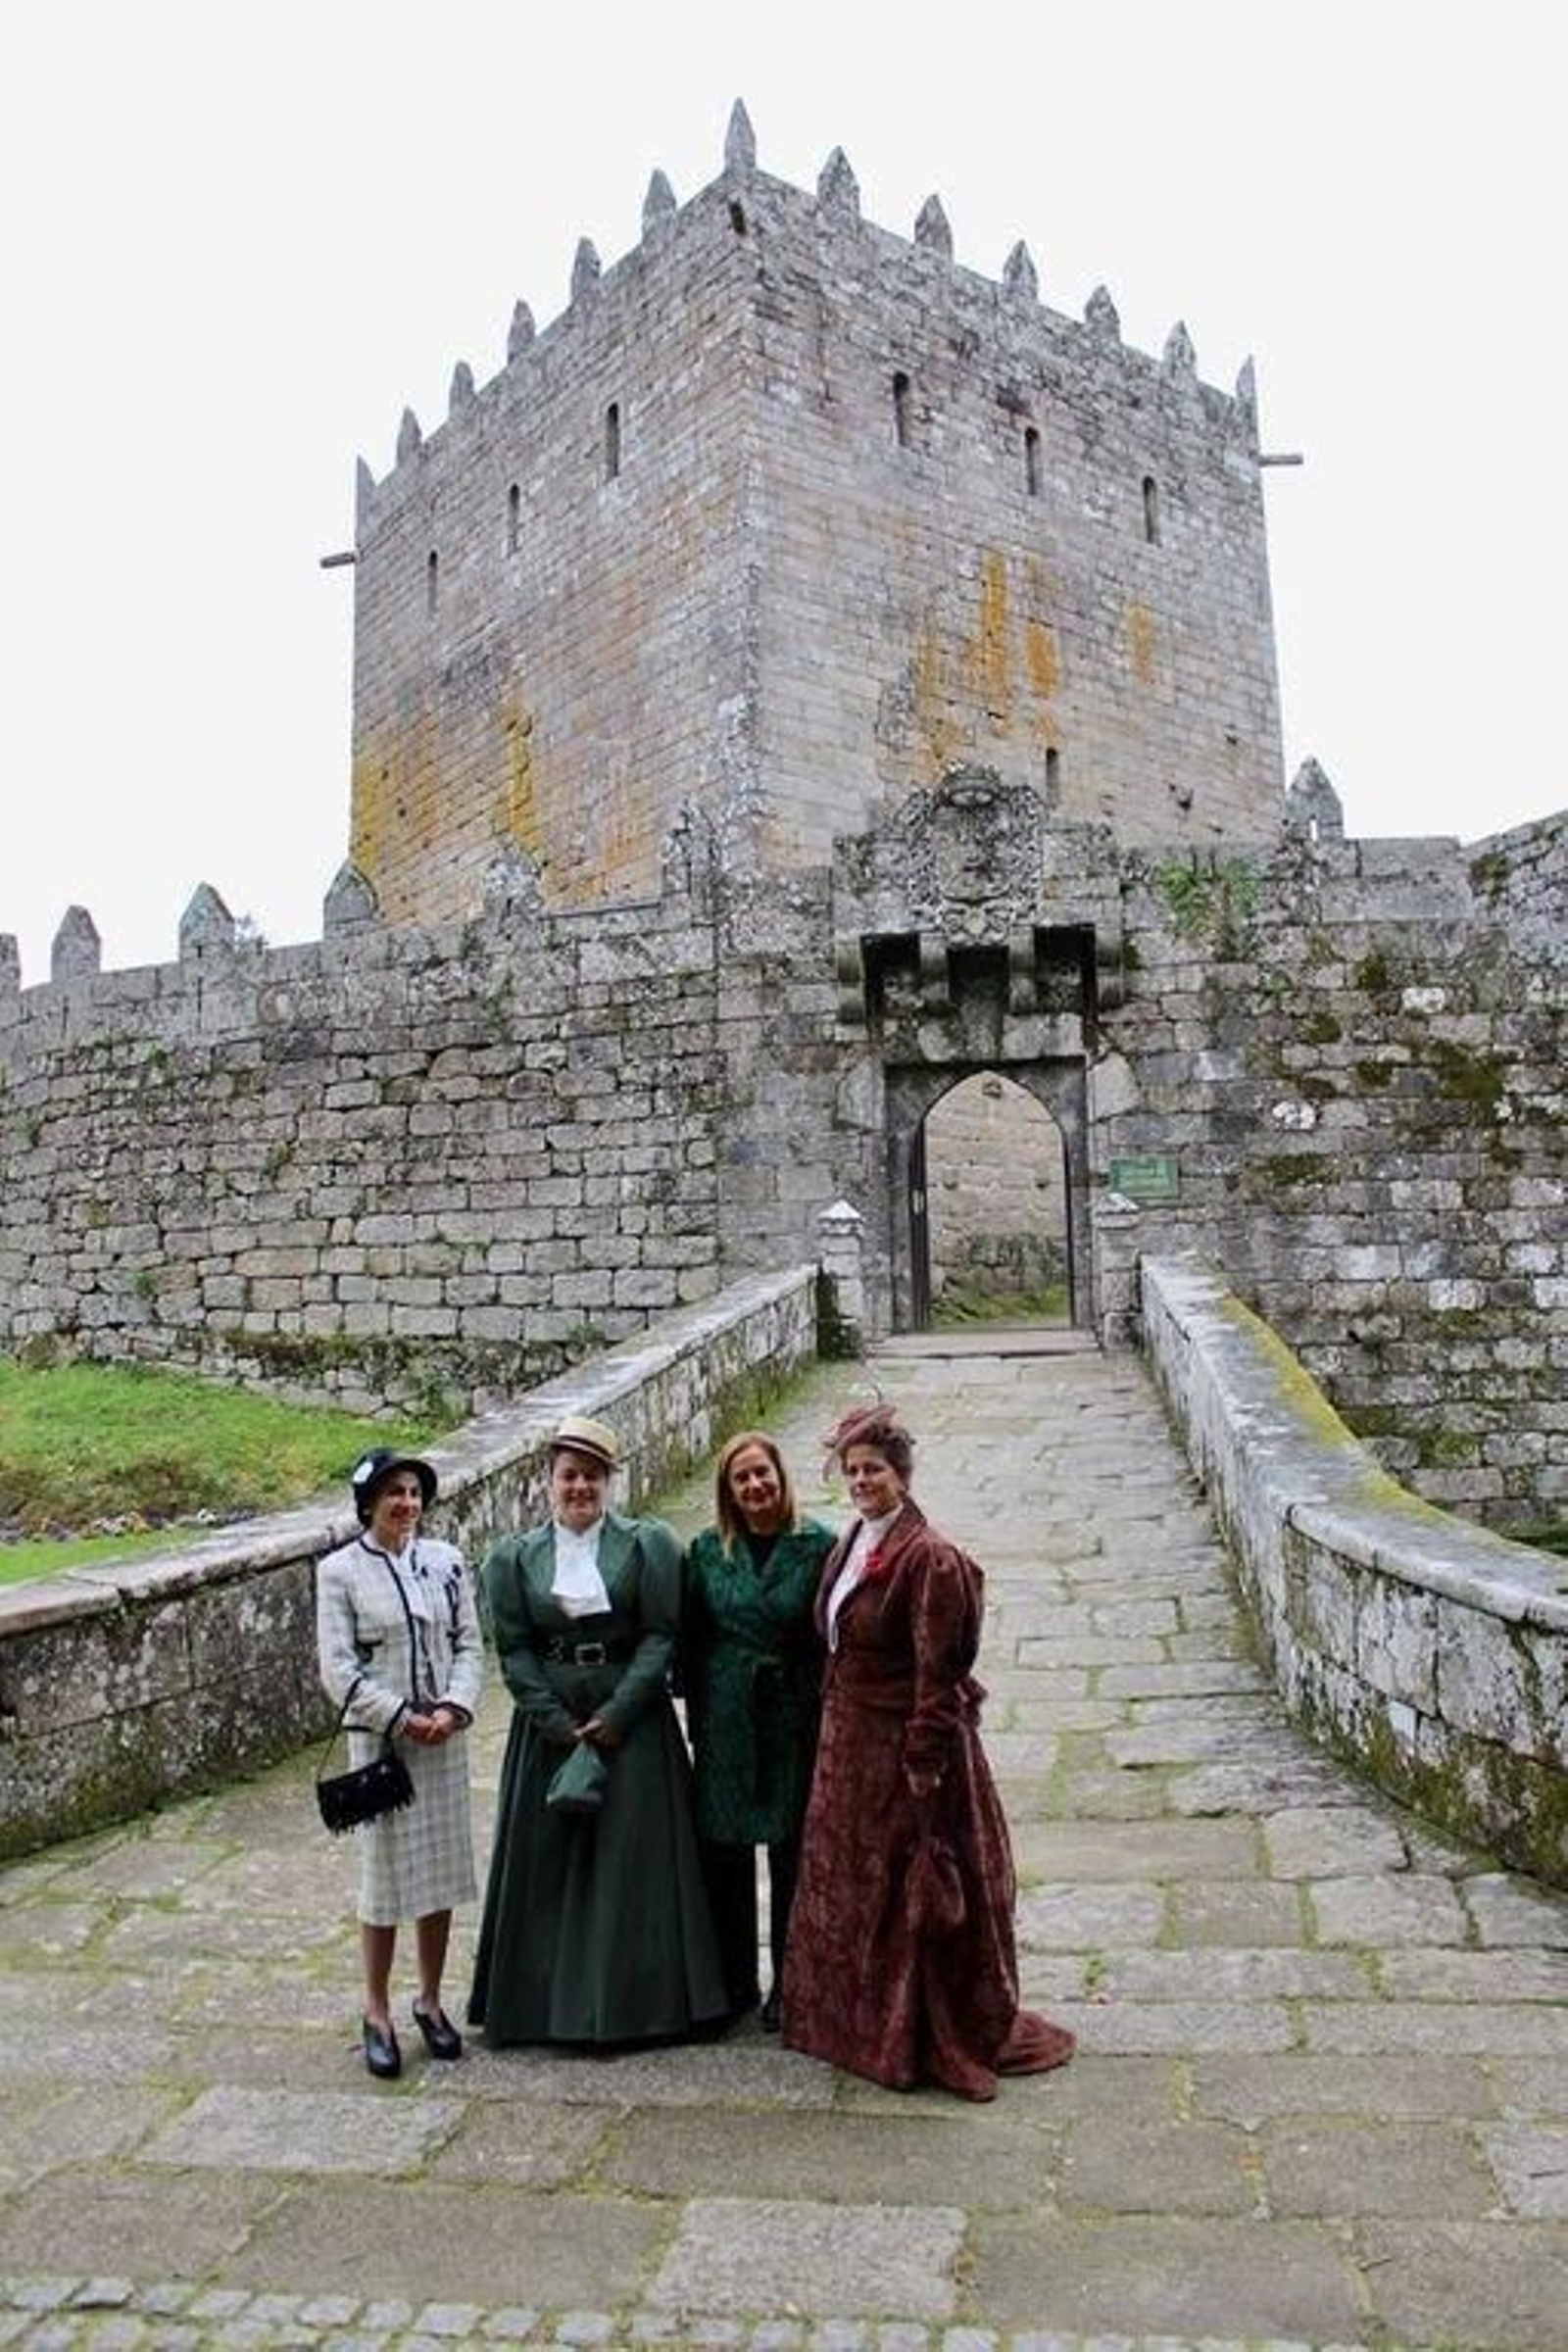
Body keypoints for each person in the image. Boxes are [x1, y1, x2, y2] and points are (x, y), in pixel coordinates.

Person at [782, 1399, 1075, 2101]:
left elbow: (937, 1677)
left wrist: (923, 1767)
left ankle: (918, 2030)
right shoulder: (853, 1539)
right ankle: (852, 2020)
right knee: (855, 1887)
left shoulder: (932, 1558)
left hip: (905, 1754)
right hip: (847, 1746)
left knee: (908, 1889)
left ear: (902, 1475)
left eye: (874, 1470)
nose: (861, 1481)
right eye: (852, 1470)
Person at [468, 1413, 728, 2047]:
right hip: (549, 1726)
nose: (579, 1487)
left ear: (610, 1481)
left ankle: (640, 2004)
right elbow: (515, 1650)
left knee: (631, 1859)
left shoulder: (649, 1545)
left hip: (629, 1722)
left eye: (592, 1475)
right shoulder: (512, 1559)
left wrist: (616, 1715)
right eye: (568, 1475)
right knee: (550, 1857)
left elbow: (662, 1634)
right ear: (548, 1482)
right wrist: (555, 1722)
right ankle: (538, 2006)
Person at [316, 1446, 483, 2081]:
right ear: (369, 1502)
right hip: (382, 1745)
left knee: (439, 1873)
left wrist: (454, 1706)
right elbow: (339, 1670)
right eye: (394, 1493)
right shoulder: (339, 1574)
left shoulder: (445, 1562)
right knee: (383, 1881)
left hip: (442, 1740)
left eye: (414, 1492)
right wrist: (399, 1715)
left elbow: (470, 1642)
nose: (406, 1504)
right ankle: (377, 2010)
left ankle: (432, 1999)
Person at [682, 1429, 835, 2029]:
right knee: (725, 1854)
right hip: (726, 1715)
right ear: (728, 1491)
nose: (754, 1486)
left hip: (793, 1713)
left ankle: (791, 1983)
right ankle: (732, 1983)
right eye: (741, 1478)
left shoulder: (819, 1546)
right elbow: (690, 1640)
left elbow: (830, 1636)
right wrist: (698, 1720)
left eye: (762, 1473)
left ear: (781, 1476)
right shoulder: (704, 1551)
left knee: (792, 1853)